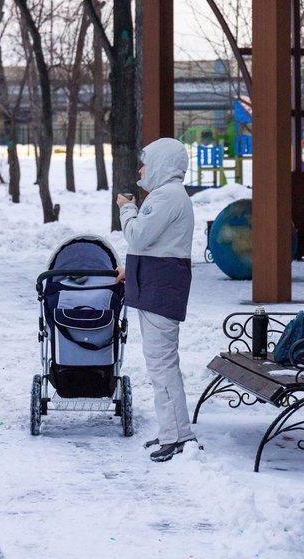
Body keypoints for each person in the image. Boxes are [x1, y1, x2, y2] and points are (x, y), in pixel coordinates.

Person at [116, 137, 199, 463]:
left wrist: (127, 209)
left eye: (146, 163)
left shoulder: (165, 196)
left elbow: (137, 236)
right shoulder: (171, 196)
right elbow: (158, 245)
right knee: (164, 365)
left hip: (158, 288)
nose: (140, 169)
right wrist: (130, 268)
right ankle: (177, 432)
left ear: (162, 163)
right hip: (159, 284)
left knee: (161, 366)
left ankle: (176, 437)